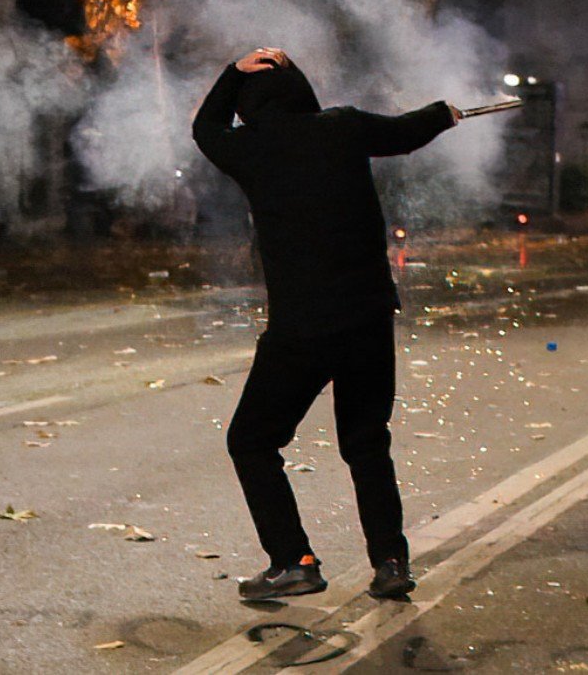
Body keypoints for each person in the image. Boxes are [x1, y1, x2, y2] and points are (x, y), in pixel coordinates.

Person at [192, 47, 461, 602]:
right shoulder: (342, 127)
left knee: (251, 441)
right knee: (366, 444)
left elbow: (204, 126)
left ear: (252, 105)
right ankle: (390, 563)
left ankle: (295, 560)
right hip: (367, 319)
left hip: (302, 329)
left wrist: (231, 73)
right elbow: (406, 132)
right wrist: (445, 112)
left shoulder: (250, 147)